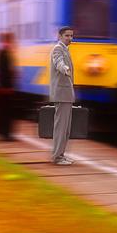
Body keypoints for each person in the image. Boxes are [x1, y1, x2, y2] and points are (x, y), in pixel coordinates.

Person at [49, 26, 75, 165]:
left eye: (71, 36)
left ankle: (61, 154)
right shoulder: (57, 49)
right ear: (60, 36)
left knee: (66, 128)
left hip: (66, 94)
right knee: (61, 127)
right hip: (61, 93)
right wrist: (65, 69)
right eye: (67, 36)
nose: (70, 38)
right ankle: (57, 157)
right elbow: (58, 62)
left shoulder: (66, 49)